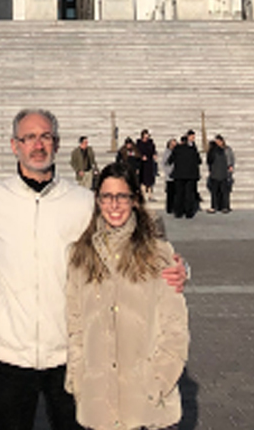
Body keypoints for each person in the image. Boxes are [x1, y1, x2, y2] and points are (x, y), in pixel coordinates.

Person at [0, 109, 187, 430]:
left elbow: (130, 239)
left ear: (57, 143)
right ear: (15, 145)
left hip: (66, 353)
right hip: (9, 355)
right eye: (29, 138)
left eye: (46, 137)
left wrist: (182, 268)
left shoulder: (82, 202)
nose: (38, 145)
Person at [65, 162, 189, 430]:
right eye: (107, 197)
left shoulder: (158, 253)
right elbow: (75, 326)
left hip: (148, 408)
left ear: (134, 199)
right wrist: (78, 379)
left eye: (122, 196)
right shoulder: (79, 257)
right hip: (98, 406)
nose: (115, 205)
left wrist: (158, 382)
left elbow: (175, 329)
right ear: (97, 201)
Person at [170, 130, 202, 219]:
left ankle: (178, 212)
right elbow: (199, 161)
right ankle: (188, 212)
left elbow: (170, 160)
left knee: (179, 193)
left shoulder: (177, 149)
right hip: (191, 175)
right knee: (189, 194)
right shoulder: (192, 149)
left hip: (179, 174)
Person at [205, 134, 229, 214]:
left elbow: (209, 161)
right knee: (223, 191)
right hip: (223, 173)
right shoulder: (223, 151)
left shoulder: (213, 152)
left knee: (215, 191)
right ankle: (224, 206)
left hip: (215, 173)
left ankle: (214, 206)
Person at [136, 128, 157, 197]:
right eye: (145, 136)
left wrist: (154, 154)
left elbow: (153, 150)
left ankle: (150, 194)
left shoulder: (150, 143)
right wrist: (141, 156)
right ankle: (143, 193)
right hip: (142, 163)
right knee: (143, 178)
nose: (146, 138)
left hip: (149, 162)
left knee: (150, 178)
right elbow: (137, 152)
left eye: (147, 136)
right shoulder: (139, 143)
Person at [162, 137, 177, 215]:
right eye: (172, 144)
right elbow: (164, 163)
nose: (173, 145)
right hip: (169, 176)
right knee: (170, 193)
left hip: (177, 175)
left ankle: (175, 207)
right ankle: (169, 208)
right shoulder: (167, 152)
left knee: (176, 193)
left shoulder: (177, 152)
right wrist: (168, 172)